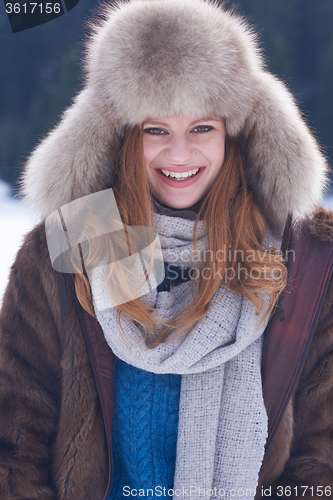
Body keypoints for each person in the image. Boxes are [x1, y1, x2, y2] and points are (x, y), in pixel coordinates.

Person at [0, 0, 333, 499]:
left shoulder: (307, 260)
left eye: (202, 128)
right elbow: (16, 441)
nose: (179, 154)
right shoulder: (67, 248)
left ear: (236, 135)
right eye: (155, 129)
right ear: (117, 137)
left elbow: (322, 457)